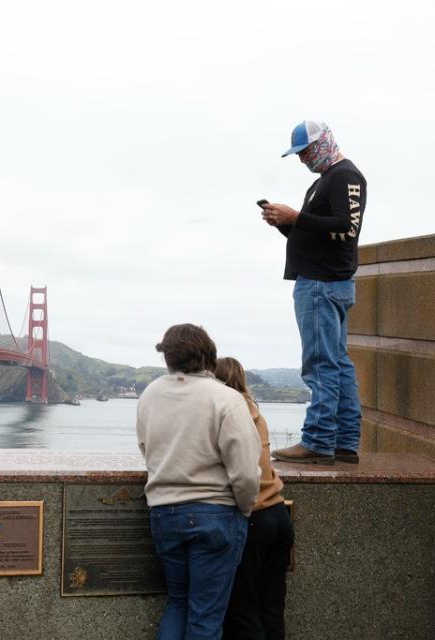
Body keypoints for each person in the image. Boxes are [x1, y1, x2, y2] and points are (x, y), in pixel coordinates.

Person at [137, 324, 261, 640]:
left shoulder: (150, 394)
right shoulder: (226, 398)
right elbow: (245, 471)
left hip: (164, 512)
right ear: (209, 355)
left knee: (178, 604)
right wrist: (244, 510)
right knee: (205, 617)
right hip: (216, 514)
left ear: (168, 357)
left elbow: (145, 449)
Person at [261, 121, 366, 465]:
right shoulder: (325, 181)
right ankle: (345, 443)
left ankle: (319, 441)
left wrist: (296, 216)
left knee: (320, 365)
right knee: (338, 364)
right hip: (325, 281)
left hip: (322, 285)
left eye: (306, 151)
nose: (303, 159)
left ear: (323, 144)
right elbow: (314, 234)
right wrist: (286, 223)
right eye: (299, 154)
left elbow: (345, 229)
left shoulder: (344, 177)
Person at [215, 357, 294, 640]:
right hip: (278, 513)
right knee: (272, 607)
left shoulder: (226, 414)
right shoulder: (255, 412)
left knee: (242, 610)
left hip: (254, 518)